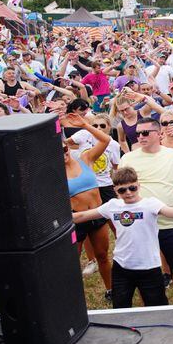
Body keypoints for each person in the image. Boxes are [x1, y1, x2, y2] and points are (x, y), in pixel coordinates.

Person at [73, 167, 173, 309]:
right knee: (120, 308)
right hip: (122, 267)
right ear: (115, 190)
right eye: (122, 190)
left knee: (157, 309)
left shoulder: (151, 204)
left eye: (132, 188)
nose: (128, 193)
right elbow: (81, 216)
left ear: (138, 185)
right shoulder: (112, 205)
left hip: (149, 267)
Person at [118, 116, 173, 303]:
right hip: (141, 224)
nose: (140, 137)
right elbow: (120, 189)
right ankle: (152, 305)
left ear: (159, 134)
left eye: (145, 133)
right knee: (143, 269)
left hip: (170, 222)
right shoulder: (128, 159)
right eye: (138, 133)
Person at [63, 112, 115, 297]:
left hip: (97, 215)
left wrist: (85, 125)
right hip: (76, 220)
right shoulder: (55, 173)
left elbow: (106, 140)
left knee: (102, 256)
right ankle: (72, 296)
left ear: (68, 148)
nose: (63, 154)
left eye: (64, 149)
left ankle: (110, 290)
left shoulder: (84, 159)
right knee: (71, 261)